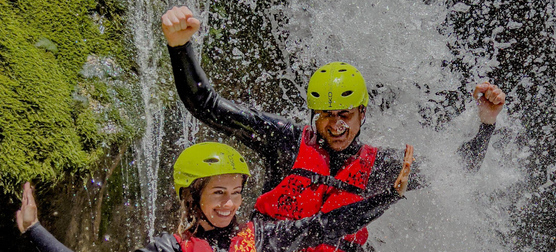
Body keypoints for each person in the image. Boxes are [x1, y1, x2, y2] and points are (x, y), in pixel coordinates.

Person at [161, 5, 506, 252]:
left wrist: (486, 123)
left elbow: (461, 169)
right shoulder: (285, 141)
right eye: (325, 115)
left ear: (362, 113)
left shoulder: (384, 166)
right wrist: (180, 47)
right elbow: (208, 107)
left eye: (344, 114)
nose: (335, 125)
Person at [16, 142, 414, 252]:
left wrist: (388, 198)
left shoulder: (258, 238)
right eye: (218, 193)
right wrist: (34, 230)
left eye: (237, 194)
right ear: (192, 197)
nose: (229, 204)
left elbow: (325, 227)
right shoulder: (169, 249)